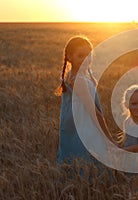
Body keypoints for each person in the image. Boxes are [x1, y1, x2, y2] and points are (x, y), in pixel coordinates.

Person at [54, 36, 115, 179]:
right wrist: (108, 138)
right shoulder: (79, 80)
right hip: (82, 127)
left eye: (89, 55)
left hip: (77, 125)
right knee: (83, 161)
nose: (86, 60)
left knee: (79, 161)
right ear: (69, 57)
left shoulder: (84, 73)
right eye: (80, 56)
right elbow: (94, 112)